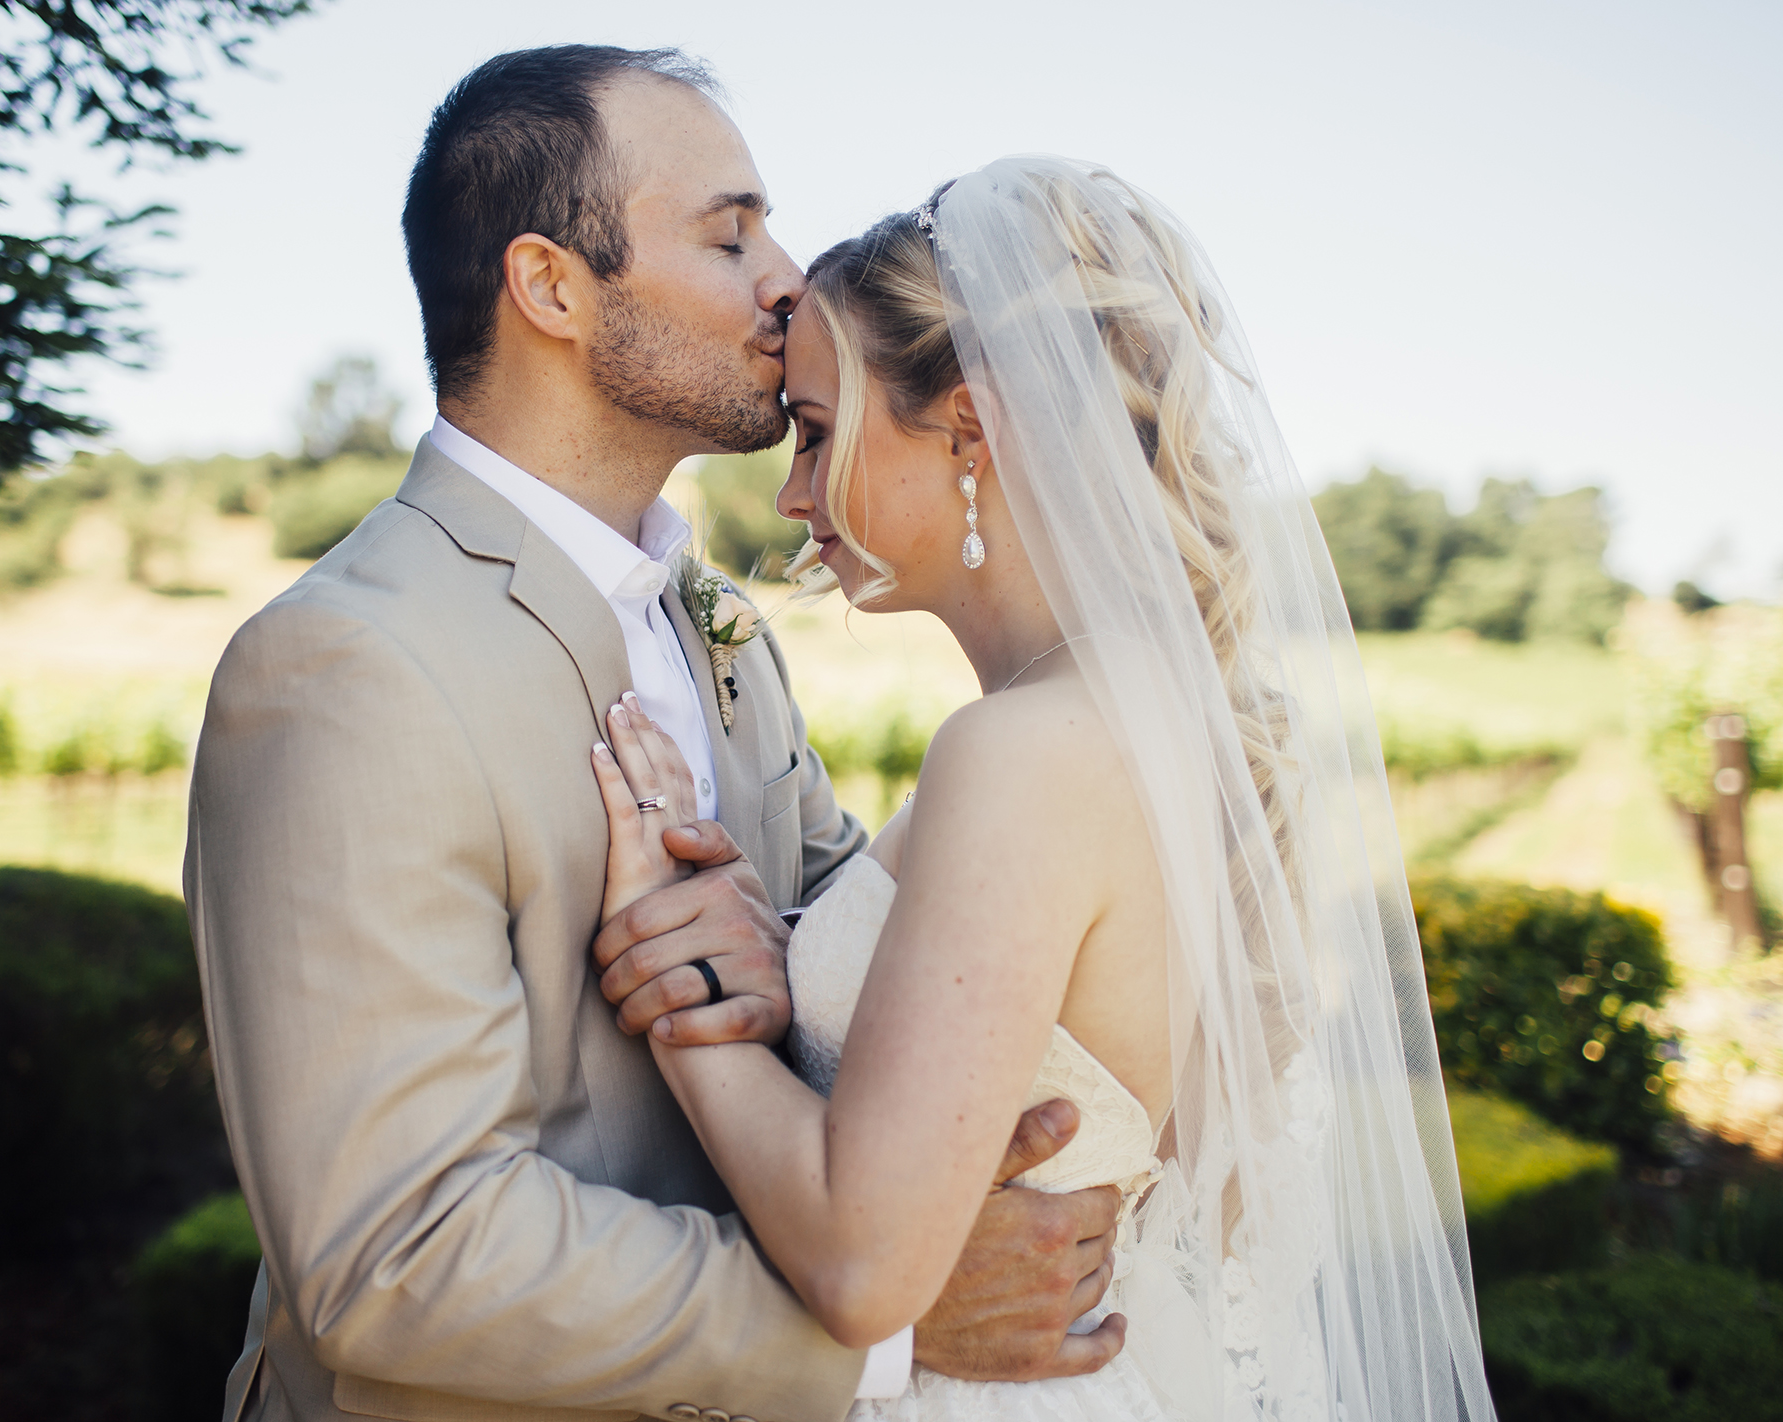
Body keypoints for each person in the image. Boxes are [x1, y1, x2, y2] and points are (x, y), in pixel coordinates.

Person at [184, 49, 1125, 1422]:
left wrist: (928, 1159)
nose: (788, 279)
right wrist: (888, 1326)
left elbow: (838, 970)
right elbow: (397, 1252)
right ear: (552, 287)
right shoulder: (343, 668)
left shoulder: (713, 621)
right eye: (730, 231)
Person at [589, 158, 1496, 1421]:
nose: (794, 497)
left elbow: (862, 1263)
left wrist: (691, 1010)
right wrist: (779, 938)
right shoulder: (1162, 724)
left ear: (966, 424)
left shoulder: (1019, 753)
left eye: (813, 432)